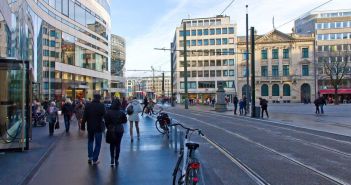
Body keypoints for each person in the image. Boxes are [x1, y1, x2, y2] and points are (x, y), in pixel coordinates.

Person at [81, 94, 106, 165]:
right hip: (98, 127)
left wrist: (82, 126)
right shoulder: (101, 105)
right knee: (98, 143)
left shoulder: (88, 105)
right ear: (99, 98)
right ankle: (95, 159)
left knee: (90, 141)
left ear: (93, 98)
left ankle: (90, 157)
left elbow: (84, 116)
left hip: (90, 127)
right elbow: (105, 116)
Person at [104, 100, 127, 166]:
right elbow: (125, 121)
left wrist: (108, 127)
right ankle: (116, 159)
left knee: (112, 144)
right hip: (119, 129)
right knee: (118, 144)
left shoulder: (108, 112)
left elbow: (106, 122)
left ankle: (112, 158)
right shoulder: (121, 112)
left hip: (111, 129)